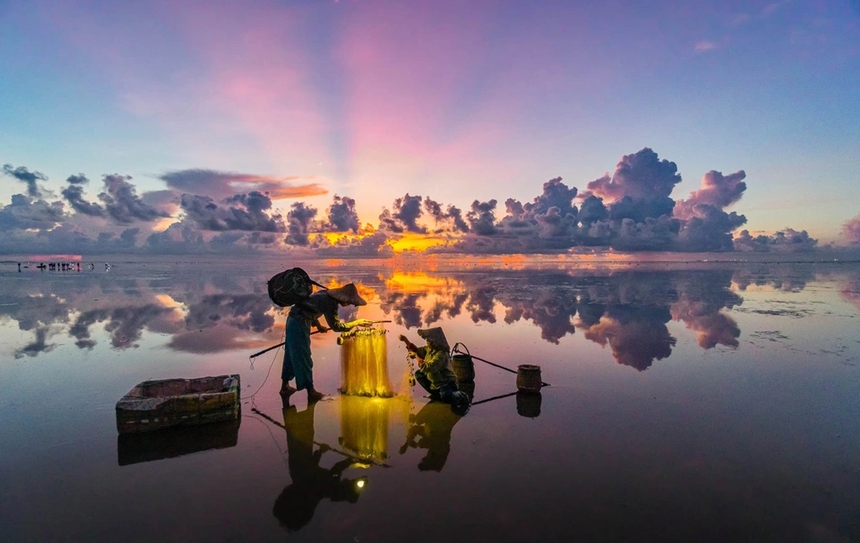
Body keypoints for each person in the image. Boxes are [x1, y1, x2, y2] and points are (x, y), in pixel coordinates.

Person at [281, 283, 373, 401]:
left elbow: (309, 308)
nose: (348, 304)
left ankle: (285, 387)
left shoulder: (324, 294)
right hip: (299, 323)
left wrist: (318, 326)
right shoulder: (330, 303)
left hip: (293, 320)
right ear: (343, 298)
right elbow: (337, 326)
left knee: (290, 354)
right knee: (304, 358)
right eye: (349, 302)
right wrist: (357, 322)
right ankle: (311, 391)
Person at [398, 327, 469, 407]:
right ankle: (436, 394)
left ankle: (458, 395)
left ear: (434, 342)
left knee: (446, 397)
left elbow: (429, 367)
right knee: (419, 374)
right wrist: (405, 340)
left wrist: (416, 357)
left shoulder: (442, 354)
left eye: (428, 340)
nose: (427, 342)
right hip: (436, 383)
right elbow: (416, 350)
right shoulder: (429, 349)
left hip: (447, 383)